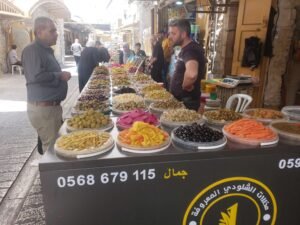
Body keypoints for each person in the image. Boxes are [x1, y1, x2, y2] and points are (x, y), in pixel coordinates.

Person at [22, 17, 71, 154]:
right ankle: (51, 175)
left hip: (51, 108)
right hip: (44, 110)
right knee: (52, 150)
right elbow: (35, 76)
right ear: (39, 32)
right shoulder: (32, 50)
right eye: (52, 31)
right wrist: (59, 75)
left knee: (58, 145)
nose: (56, 34)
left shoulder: (45, 50)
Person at [168, 19, 206, 111]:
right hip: (183, 100)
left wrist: (186, 86)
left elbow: (192, 74)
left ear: (183, 34)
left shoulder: (190, 50)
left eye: (173, 33)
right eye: (170, 33)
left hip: (186, 101)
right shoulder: (187, 48)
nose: (170, 36)